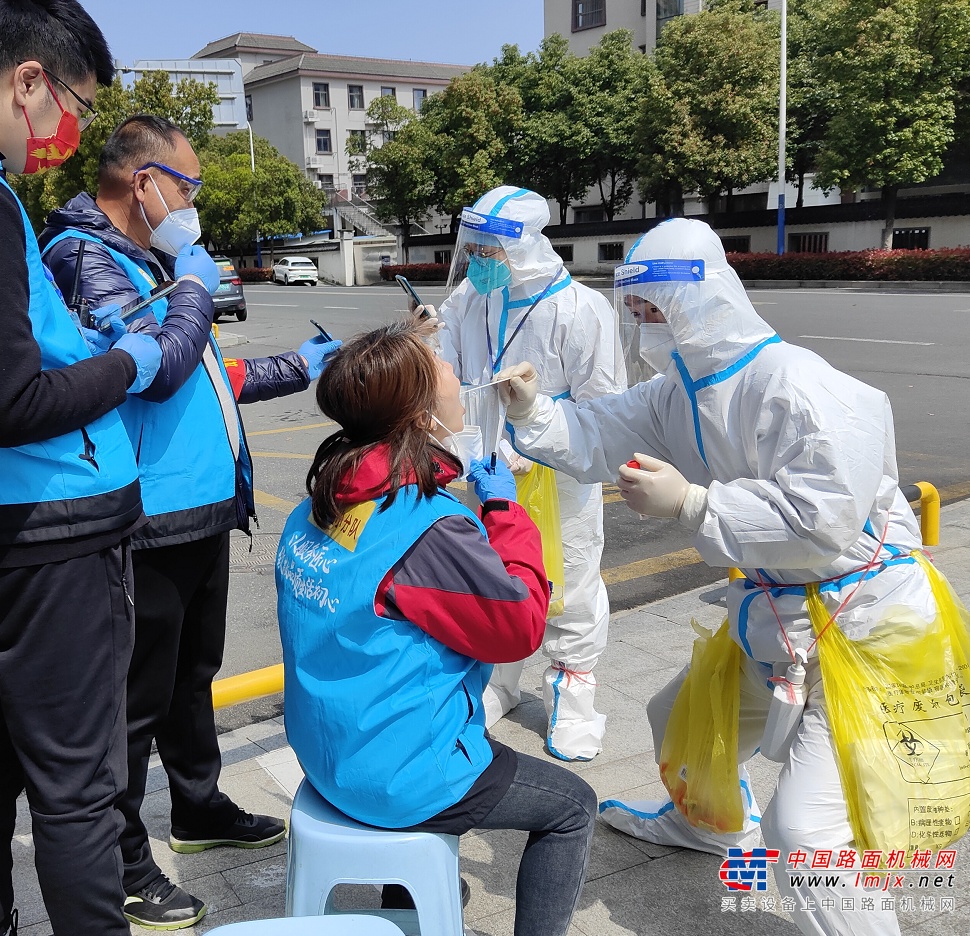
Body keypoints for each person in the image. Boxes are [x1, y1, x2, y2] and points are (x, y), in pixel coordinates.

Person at [494, 216, 958, 936]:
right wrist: (535, 411)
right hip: (782, 614)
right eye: (638, 311)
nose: (644, 325)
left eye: (656, 309)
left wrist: (694, 502)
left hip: (870, 624)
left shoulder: (800, 386)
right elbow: (595, 433)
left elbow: (823, 521)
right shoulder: (678, 390)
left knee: (804, 832)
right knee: (675, 723)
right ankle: (712, 828)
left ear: (703, 300)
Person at [40, 114, 338, 930]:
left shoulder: (148, 255)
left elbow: (208, 370)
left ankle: (200, 809)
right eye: (190, 187)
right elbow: (159, 368)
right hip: (145, 516)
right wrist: (199, 289)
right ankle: (126, 862)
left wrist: (299, 369)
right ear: (145, 181)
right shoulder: (82, 256)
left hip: (200, 510)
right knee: (133, 703)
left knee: (189, 677)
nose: (194, 205)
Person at [276, 320, 597, 936]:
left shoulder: (320, 501)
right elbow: (520, 626)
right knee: (572, 807)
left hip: (325, 755)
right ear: (421, 415)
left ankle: (427, 891)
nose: (456, 376)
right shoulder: (425, 527)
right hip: (397, 774)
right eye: (443, 369)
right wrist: (503, 512)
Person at [0, 3, 163, 934]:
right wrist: (125, 364)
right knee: (76, 790)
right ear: (30, 81)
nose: (70, 131)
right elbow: (14, 401)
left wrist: (79, 342)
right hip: (53, 535)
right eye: (73, 104)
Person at [434, 185, 627, 762]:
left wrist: (540, 434)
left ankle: (574, 690)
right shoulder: (471, 297)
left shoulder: (579, 309)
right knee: (490, 568)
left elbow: (605, 409)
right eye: (477, 247)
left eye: (492, 249)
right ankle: (500, 677)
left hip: (559, 470)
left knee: (568, 574)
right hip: (486, 464)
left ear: (523, 246)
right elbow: (448, 367)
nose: (481, 260)